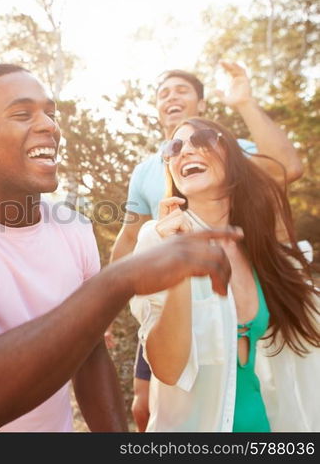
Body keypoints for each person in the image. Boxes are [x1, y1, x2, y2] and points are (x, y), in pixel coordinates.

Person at [0, 63, 242, 432]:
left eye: (50, 114)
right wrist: (120, 279)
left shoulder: (74, 228)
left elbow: (90, 356)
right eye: (23, 114)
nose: (49, 126)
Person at [109, 62, 303, 431]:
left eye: (181, 90)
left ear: (201, 102)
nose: (186, 152)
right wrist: (102, 300)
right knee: (146, 404)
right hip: (165, 286)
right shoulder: (147, 175)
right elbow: (130, 237)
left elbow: (287, 167)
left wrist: (245, 103)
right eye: (163, 93)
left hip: (257, 416)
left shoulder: (252, 240)